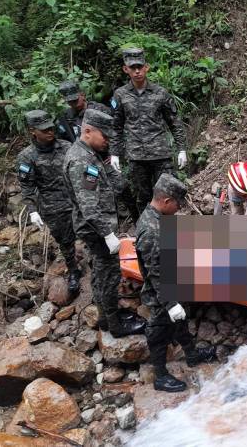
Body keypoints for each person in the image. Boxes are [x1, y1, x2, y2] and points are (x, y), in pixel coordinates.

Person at [63, 108, 145, 337]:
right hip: (96, 229)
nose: (107, 141)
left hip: (96, 226)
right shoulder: (81, 160)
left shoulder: (91, 153)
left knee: (100, 273)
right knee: (109, 275)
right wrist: (107, 234)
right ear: (88, 131)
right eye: (105, 137)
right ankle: (116, 325)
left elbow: (114, 185)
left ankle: (105, 318)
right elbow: (89, 206)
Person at [136, 173, 215, 392]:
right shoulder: (152, 230)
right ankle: (160, 375)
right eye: (178, 204)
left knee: (180, 321)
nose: (179, 208)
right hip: (161, 292)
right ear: (166, 201)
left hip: (172, 282)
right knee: (158, 329)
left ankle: (191, 354)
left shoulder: (157, 217)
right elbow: (155, 273)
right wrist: (170, 303)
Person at [111, 47, 188, 214]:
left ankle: (171, 233)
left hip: (161, 155)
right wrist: (114, 153)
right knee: (143, 197)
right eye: (133, 68)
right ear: (126, 69)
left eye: (140, 66)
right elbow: (116, 127)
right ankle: (147, 233)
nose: (137, 71)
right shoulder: (120, 95)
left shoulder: (160, 93)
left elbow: (174, 123)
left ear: (147, 67)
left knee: (169, 194)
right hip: (137, 156)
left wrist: (181, 149)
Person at [17, 110, 81, 296]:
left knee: (91, 232)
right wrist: (32, 211)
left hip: (77, 199)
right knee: (65, 241)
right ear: (33, 131)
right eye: (44, 130)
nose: (50, 132)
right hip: (53, 205)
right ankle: (73, 270)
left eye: (51, 128)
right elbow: (27, 187)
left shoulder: (67, 146)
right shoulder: (26, 157)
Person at [57, 80, 140, 222]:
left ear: (82, 95)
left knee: (122, 186)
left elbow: (116, 131)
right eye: (70, 102)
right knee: (93, 194)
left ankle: (136, 218)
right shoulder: (66, 117)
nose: (73, 104)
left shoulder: (99, 109)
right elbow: (63, 140)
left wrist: (114, 153)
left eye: (75, 100)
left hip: (105, 157)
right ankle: (111, 225)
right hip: (85, 160)